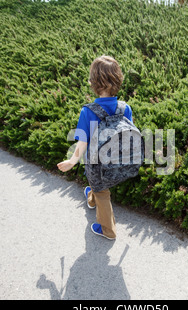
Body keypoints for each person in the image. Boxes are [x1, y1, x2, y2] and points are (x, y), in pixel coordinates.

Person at [57, 55, 133, 240]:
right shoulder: (125, 108)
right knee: (98, 187)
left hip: (96, 163)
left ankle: (108, 230)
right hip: (118, 161)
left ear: (94, 83)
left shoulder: (88, 112)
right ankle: (91, 197)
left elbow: (82, 143)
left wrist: (72, 161)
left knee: (102, 193)